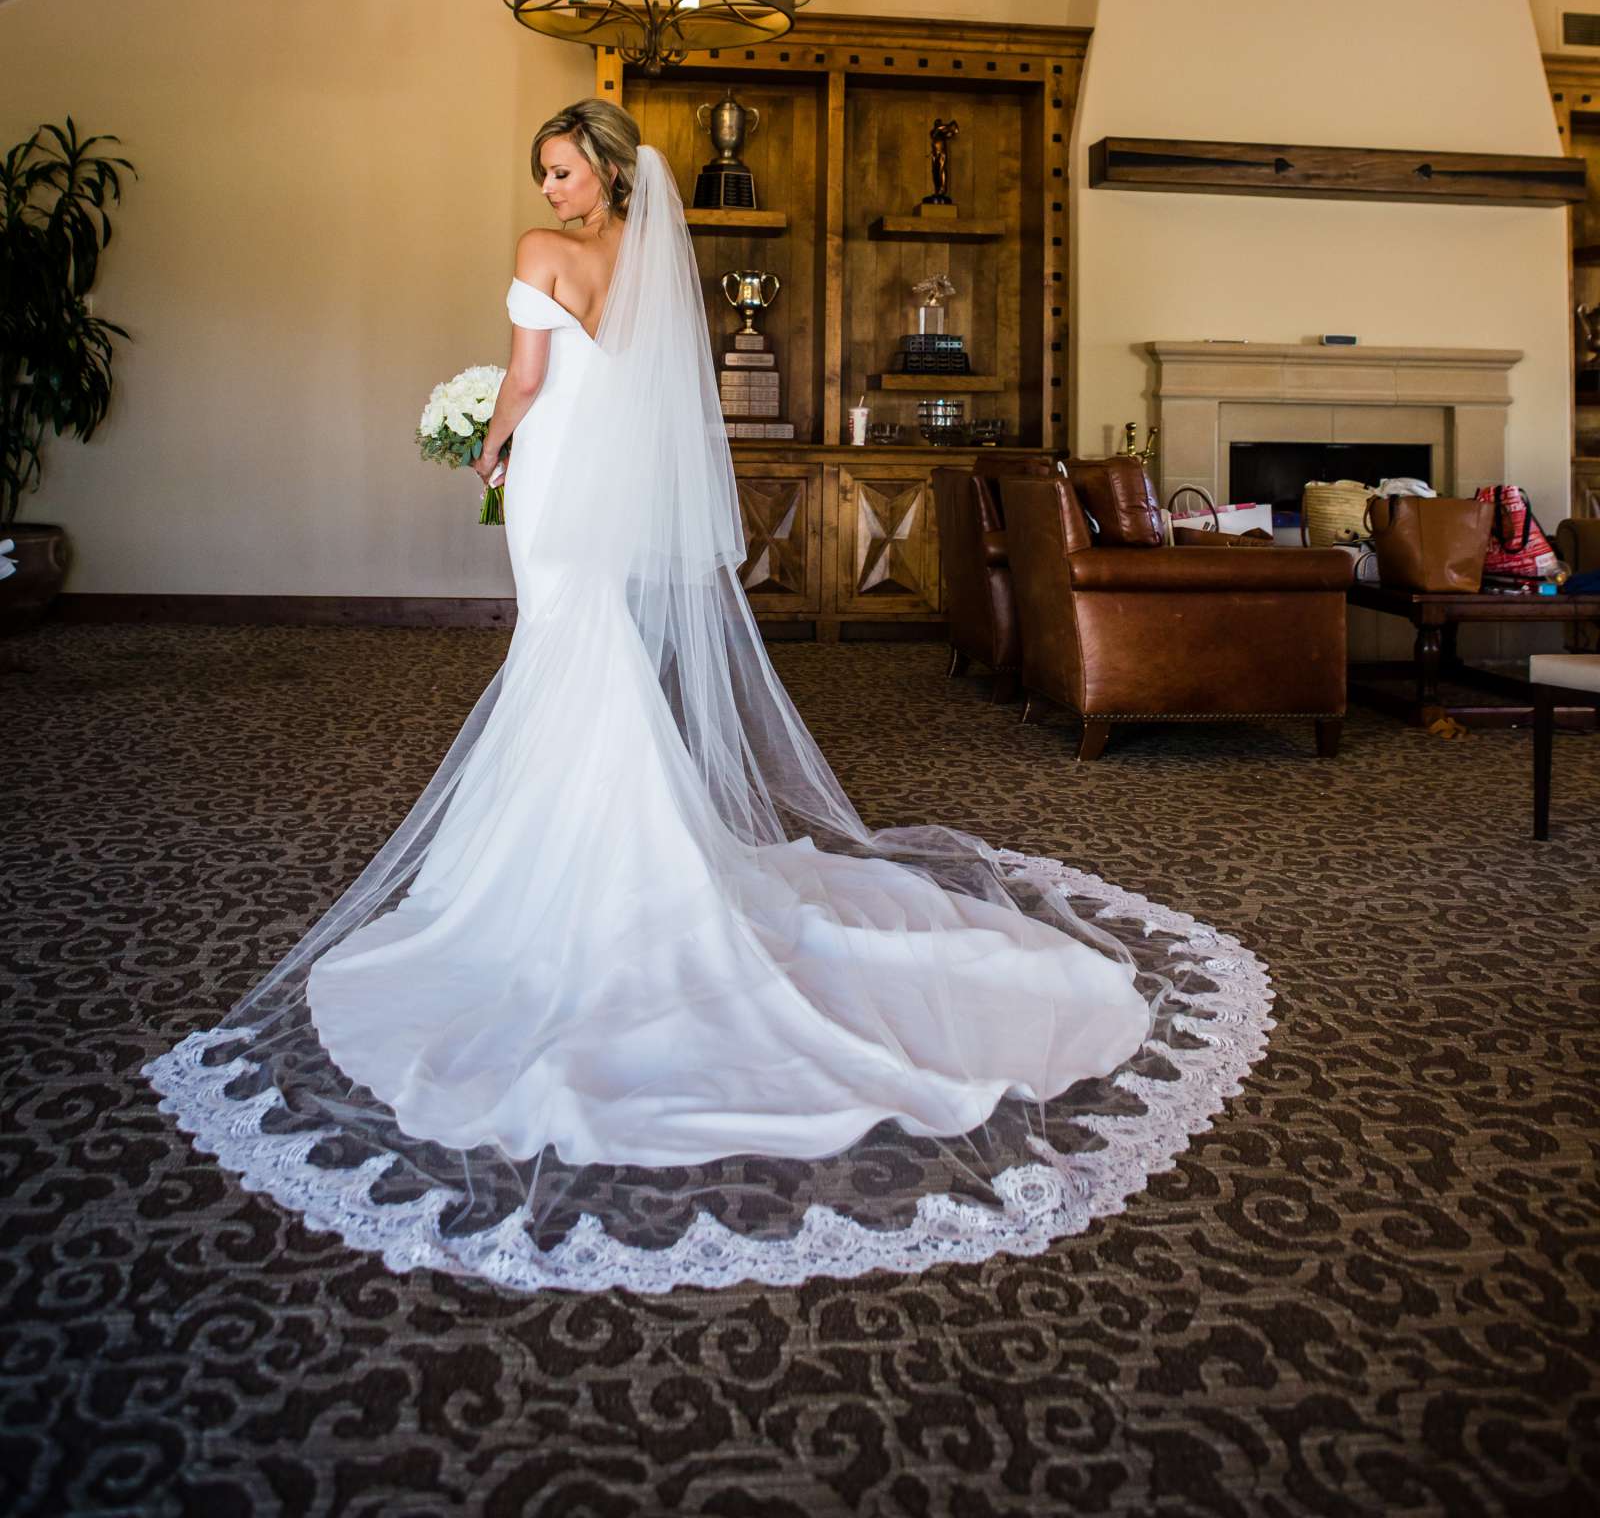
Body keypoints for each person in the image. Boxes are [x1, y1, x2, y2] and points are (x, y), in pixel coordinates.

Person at [146, 99, 1270, 1295]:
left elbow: (527, 380)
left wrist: (487, 442)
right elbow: (646, 386)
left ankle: (580, 859)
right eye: (544, 174)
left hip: (553, 483)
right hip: (608, 487)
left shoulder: (539, 257)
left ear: (606, 173)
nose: (552, 191)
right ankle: (627, 844)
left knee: (562, 649)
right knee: (588, 651)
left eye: (566, 171)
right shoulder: (654, 257)